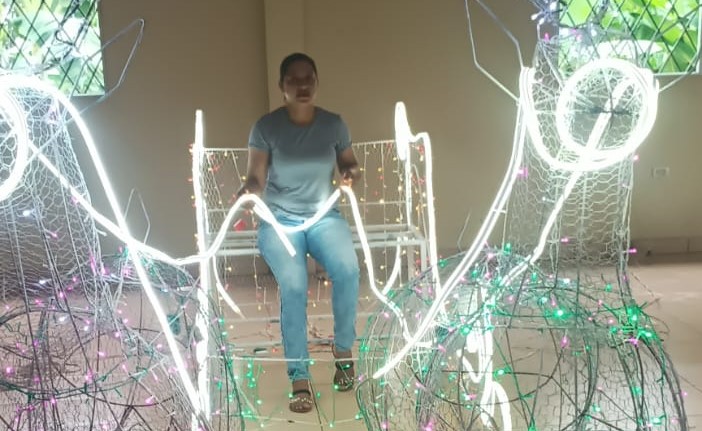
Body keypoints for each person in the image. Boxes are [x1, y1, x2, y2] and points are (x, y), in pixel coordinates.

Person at [237, 52, 361, 413]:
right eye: (294, 79)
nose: (302, 85)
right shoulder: (266, 127)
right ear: (282, 86)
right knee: (293, 286)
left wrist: (351, 174)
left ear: (317, 82)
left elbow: (349, 163)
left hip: (324, 217)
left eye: (309, 78)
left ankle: (343, 352)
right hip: (280, 222)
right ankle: (299, 377)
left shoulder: (334, 125)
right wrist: (249, 193)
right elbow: (256, 177)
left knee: (348, 270)